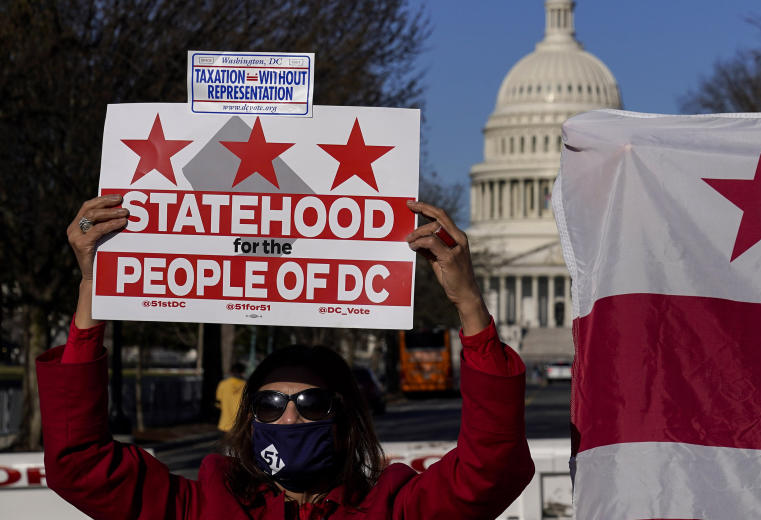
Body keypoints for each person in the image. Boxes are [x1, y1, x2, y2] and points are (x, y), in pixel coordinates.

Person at [39, 194, 534, 519]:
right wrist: (93, 285)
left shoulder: (394, 509)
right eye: (270, 405)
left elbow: (492, 468)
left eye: (313, 403)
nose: (290, 416)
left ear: (346, 417)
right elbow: (79, 465)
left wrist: (468, 302)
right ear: (249, 416)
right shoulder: (204, 508)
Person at [216, 362, 247, 433]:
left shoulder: (222, 384)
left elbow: (218, 403)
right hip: (240, 424)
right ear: (243, 372)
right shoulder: (246, 386)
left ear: (231, 372)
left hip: (225, 424)